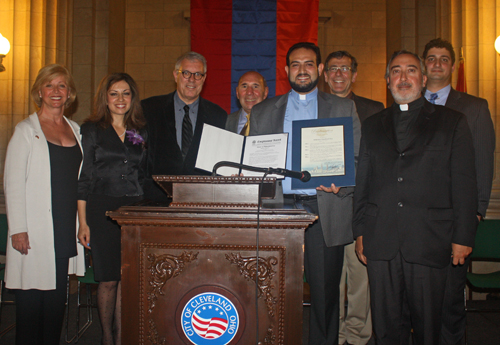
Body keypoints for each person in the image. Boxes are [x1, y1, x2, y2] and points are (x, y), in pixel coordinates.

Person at [353, 50, 478, 345]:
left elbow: (464, 183)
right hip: (381, 239)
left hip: (429, 239)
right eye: (396, 71)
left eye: (411, 70)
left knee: (428, 327)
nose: (403, 77)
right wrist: (359, 231)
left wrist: (464, 236)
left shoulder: (453, 122)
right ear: (387, 80)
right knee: (386, 328)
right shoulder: (373, 124)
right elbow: (364, 183)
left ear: (422, 78)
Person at [250, 42, 361, 345]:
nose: (302, 70)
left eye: (309, 64)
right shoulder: (262, 111)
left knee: (325, 296)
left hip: (323, 208)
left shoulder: (342, 107)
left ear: (320, 69)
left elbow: (355, 158)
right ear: (286, 70)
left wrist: (343, 181)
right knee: (274, 290)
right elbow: (254, 163)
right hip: (278, 208)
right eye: (296, 64)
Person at [4, 64, 85, 344]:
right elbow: (12, 183)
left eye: (61, 85)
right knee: (30, 311)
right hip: (34, 233)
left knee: (54, 309)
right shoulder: (26, 130)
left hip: (64, 231)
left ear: (70, 93)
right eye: (49, 85)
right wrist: (18, 229)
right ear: (39, 91)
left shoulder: (76, 130)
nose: (55, 91)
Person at [422, 37, 495, 345]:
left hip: (455, 220)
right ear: (424, 65)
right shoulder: (408, 104)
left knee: (451, 298)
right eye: (431, 58)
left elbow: (483, 163)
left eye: (444, 59)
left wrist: (475, 214)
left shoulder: (475, 108)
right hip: (415, 221)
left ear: (452, 66)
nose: (437, 63)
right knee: (418, 298)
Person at [77, 73, 147, 345]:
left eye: (126, 93)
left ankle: (122, 338)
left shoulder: (139, 131)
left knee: (126, 279)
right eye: (114, 93)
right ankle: (107, 337)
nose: (120, 99)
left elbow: (143, 174)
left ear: (133, 98)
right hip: (101, 209)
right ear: (105, 98)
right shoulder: (92, 129)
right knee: (107, 279)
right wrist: (83, 223)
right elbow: (85, 179)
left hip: (133, 211)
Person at [324, 50, 384, 345]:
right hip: (328, 205)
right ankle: (333, 334)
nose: (338, 74)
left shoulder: (375, 109)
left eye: (345, 68)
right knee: (331, 278)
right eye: (333, 68)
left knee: (360, 277)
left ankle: (358, 335)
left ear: (354, 75)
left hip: (363, 206)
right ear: (325, 75)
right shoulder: (315, 108)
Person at [141, 51, 227, 202]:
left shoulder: (218, 115)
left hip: (202, 202)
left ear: (204, 78)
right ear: (175, 75)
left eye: (198, 74)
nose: (192, 80)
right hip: (157, 201)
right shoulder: (149, 109)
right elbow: (141, 158)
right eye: (186, 73)